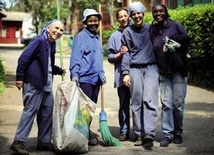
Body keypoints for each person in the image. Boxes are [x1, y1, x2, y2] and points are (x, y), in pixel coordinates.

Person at [10, 19, 66, 155]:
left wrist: (58, 70)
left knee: (47, 113)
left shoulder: (51, 44)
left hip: (46, 85)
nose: (58, 32)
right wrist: (19, 78)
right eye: (56, 28)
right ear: (48, 28)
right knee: (30, 111)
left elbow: (48, 64)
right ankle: (18, 142)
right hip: (34, 83)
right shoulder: (39, 40)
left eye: (61, 30)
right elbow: (23, 59)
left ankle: (44, 142)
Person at [150, 4, 191, 147]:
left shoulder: (176, 26)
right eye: (155, 12)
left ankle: (178, 132)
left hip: (179, 71)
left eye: (161, 11)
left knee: (177, 104)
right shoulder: (152, 30)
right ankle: (167, 134)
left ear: (166, 12)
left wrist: (175, 45)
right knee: (166, 104)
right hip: (163, 72)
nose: (158, 13)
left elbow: (187, 42)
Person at [121, 2, 159, 149]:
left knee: (149, 99)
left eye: (139, 13)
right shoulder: (127, 32)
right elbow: (126, 53)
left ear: (143, 13)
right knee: (136, 100)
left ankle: (149, 133)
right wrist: (125, 73)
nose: (136, 16)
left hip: (151, 67)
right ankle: (138, 133)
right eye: (133, 14)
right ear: (131, 16)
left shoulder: (151, 29)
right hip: (134, 68)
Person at [69, 8, 106, 146]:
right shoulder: (80, 37)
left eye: (95, 20)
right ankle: (81, 136)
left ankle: (85, 133)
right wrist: (74, 74)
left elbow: (98, 59)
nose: (93, 23)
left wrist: (102, 74)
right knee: (83, 111)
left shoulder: (97, 37)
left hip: (96, 80)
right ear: (85, 22)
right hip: (84, 79)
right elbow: (76, 58)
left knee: (90, 111)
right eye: (90, 20)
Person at [107, 8, 130, 142]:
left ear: (129, 16)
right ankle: (124, 131)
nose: (123, 18)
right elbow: (110, 57)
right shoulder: (114, 36)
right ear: (118, 19)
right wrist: (120, 54)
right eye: (120, 17)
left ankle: (139, 132)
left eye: (125, 16)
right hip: (121, 75)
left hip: (137, 74)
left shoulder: (135, 32)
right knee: (123, 105)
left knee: (138, 105)